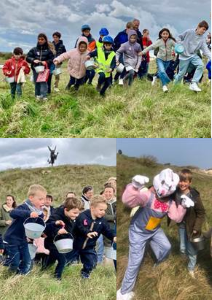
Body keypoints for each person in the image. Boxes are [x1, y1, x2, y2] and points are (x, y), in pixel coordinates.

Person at [117, 169, 189, 300]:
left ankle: (158, 263)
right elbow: (128, 202)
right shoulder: (148, 196)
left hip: (154, 230)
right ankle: (123, 292)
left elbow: (177, 218)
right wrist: (134, 187)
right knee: (135, 262)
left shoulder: (170, 203)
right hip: (138, 232)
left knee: (166, 247)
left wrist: (183, 206)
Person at [66, 195, 116, 279]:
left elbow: (107, 231)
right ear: (92, 208)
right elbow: (80, 227)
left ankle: (85, 275)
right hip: (75, 245)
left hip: (89, 247)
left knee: (92, 263)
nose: (103, 212)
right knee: (67, 261)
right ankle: (62, 274)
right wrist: (87, 232)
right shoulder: (82, 216)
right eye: (101, 210)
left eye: (105, 210)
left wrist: (113, 237)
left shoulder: (102, 221)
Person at [3, 184, 47, 275]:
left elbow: (38, 224)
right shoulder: (24, 207)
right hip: (12, 239)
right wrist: (29, 213)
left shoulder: (39, 212)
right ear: (31, 198)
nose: (43, 201)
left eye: (44, 199)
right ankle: (8, 275)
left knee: (27, 261)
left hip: (23, 240)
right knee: (14, 262)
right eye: (40, 199)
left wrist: (42, 231)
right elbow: (13, 213)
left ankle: (19, 277)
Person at [174, 169, 205, 278]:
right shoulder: (176, 192)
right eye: (180, 181)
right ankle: (184, 259)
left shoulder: (194, 196)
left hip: (192, 227)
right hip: (181, 226)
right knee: (182, 247)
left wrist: (196, 227)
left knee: (191, 250)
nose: (182, 183)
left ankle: (191, 268)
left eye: (185, 181)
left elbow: (201, 213)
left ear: (190, 182)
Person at [42, 197, 82, 280]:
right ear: (66, 210)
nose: (76, 215)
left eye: (78, 213)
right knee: (62, 260)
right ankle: (57, 278)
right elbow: (47, 226)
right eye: (74, 213)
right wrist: (58, 230)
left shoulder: (72, 217)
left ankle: (43, 271)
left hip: (63, 243)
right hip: (52, 242)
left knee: (52, 259)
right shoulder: (56, 215)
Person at [174, 20, 212, 92]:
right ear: (198, 27)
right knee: (181, 74)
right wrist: (179, 45)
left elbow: (205, 50)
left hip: (193, 55)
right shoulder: (189, 32)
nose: (204, 31)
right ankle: (175, 87)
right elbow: (179, 37)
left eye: (205, 30)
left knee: (200, 65)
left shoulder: (202, 39)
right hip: (184, 56)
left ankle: (194, 83)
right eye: (203, 29)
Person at [139, 28, 176, 92]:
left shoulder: (171, 41)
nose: (165, 35)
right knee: (162, 71)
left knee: (161, 73)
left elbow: (177, 47)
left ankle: (155, 76)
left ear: (168, 34)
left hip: (168, 60)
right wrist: (143, 52)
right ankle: (165, 84)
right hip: (160, 59)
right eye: (163, 34)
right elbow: (151, 47)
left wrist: (181, 50)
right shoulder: (159, 41)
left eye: (166, 34)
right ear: (161, 34)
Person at [26, 33, 54, 100]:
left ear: (45, 40)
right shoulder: (34, 49)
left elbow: (52, 59)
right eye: (39, 39)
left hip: (44, 69)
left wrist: (46, 62)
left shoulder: (48, 50)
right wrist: (33, 60)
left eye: (42, 39)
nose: (40, 41)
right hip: (35, 69)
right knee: (37, 82)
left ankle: (44, 96)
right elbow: (27, 57)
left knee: (43, 82)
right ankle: (37, 95)